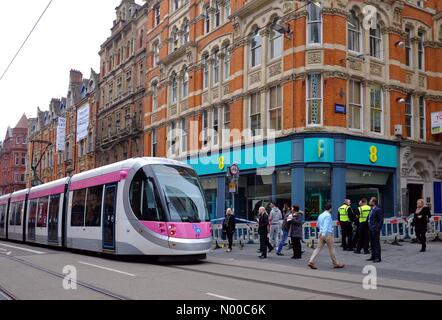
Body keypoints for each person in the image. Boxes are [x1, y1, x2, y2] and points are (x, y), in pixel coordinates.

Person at [308, 203, 345, 270]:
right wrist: (324, 233)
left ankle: (311, 260)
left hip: (321, 233)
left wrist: (321, 233)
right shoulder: (328, 215)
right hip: (327, 234)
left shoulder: (320, 215)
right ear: (330, 208)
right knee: (331, 249)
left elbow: (317, 225)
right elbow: (326, 225)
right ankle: (336, 263)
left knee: (318, 248)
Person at [367, 197, 384, 263]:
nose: (369, 202)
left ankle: (378, 257)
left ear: (374, 202)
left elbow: (381, 220)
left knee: (376, 243)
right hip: (370, 228)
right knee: (372, 243)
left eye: (370, 201)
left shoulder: (378, 209)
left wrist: (378, 228)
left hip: (375, 229)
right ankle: (373, 256)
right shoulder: (372, 209)